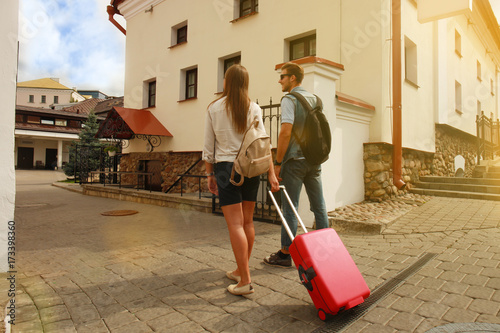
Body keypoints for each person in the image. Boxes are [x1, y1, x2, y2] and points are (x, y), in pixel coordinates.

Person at [203, 64, 280, 295]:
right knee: (247, 222)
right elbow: (263, 142)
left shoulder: (214, 108)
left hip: (226, 168)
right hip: (250, 167)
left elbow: (208, 147)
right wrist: (272, 173)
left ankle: (245, 281)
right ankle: (240, 269)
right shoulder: (254, 108)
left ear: (226, 82)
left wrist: (209, 174)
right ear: (245, 83)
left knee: (235, 224)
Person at [264, 62, 329, 267]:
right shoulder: (316, 99)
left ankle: (285, 254)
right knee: (319, 206)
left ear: (292, 78)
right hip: (314, 160)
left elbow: (285, 131)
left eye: (282, 76)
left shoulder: (289, 99)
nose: (279, 80)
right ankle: (326, 250)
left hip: (294, 160)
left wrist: (277, 162)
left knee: (290, 208)